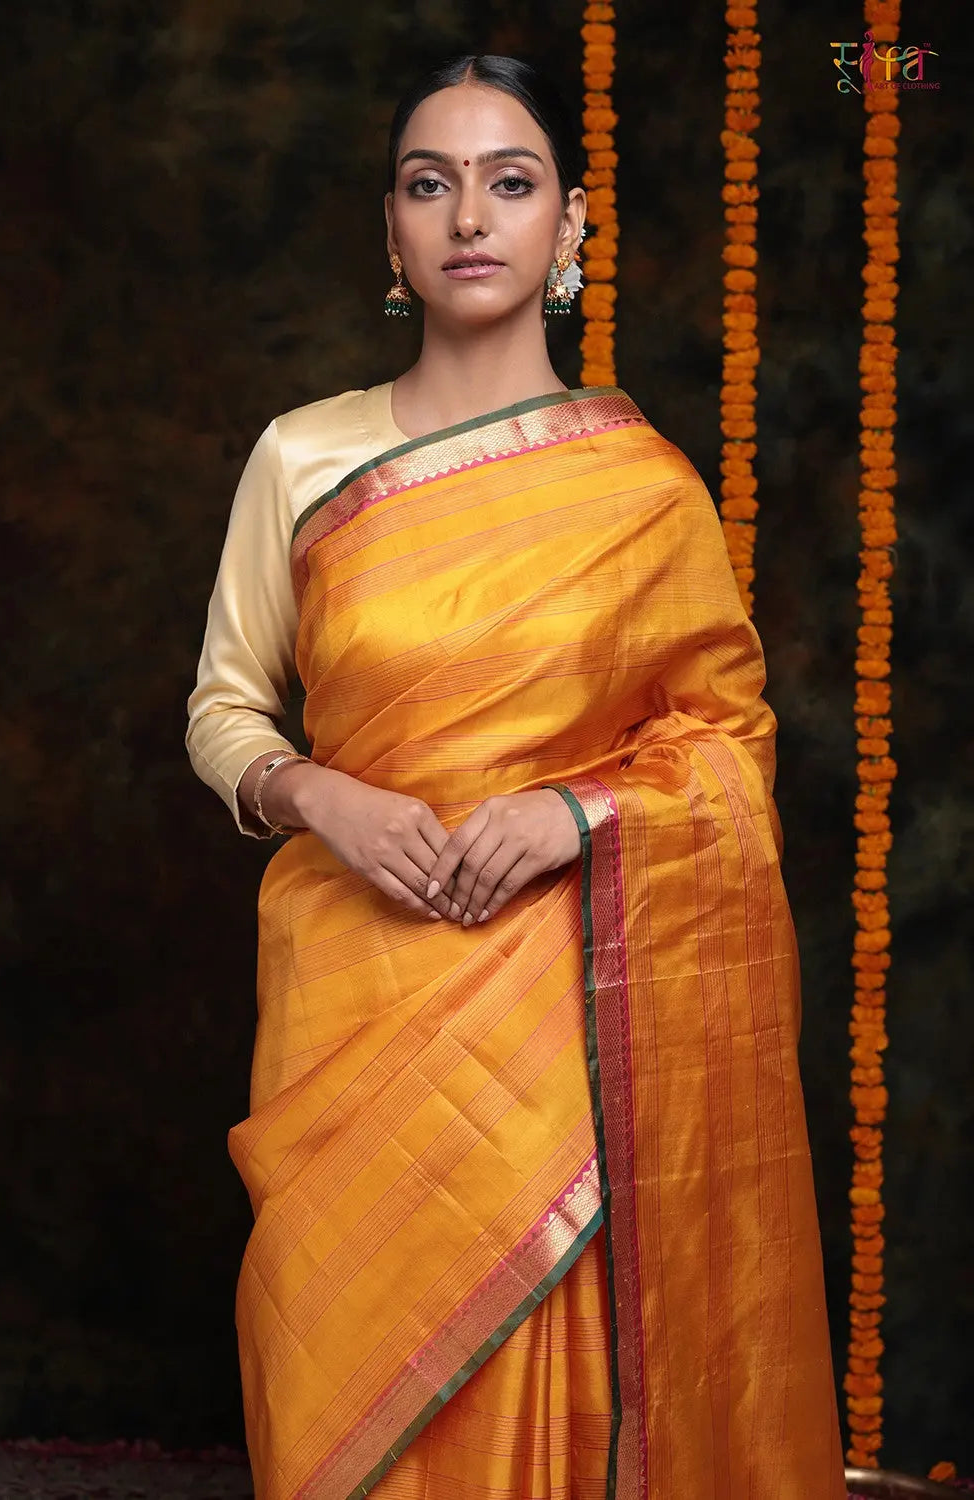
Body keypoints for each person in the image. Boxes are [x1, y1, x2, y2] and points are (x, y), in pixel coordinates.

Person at [186, 52, 847, 1500]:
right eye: (430, 185)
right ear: (391, 228)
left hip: (568, 1009)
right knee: (337, 1342)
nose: (470, 217)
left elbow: (727, 744)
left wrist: (574, 814)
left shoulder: (644, 489)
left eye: (511, 182)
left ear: (570, 224)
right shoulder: (303, 456)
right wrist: (319, 795)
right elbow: (225, 707)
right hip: (353, 984)